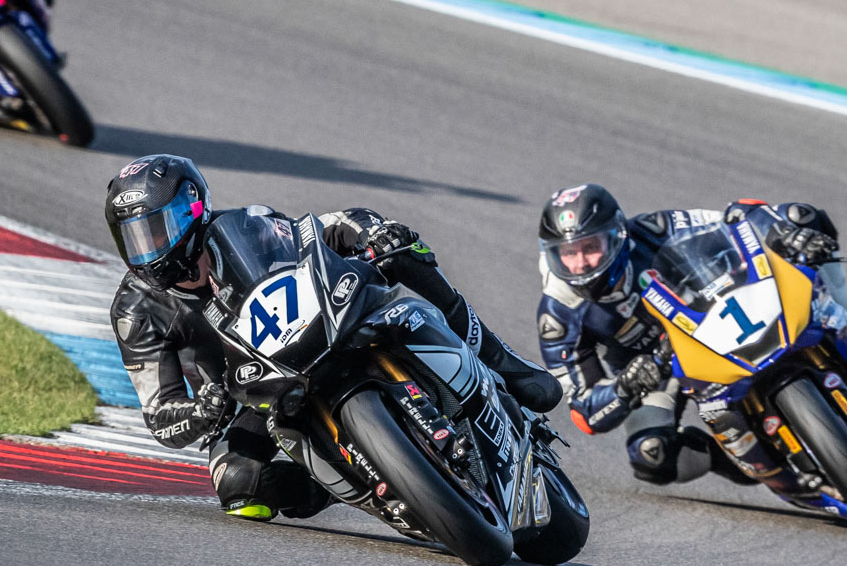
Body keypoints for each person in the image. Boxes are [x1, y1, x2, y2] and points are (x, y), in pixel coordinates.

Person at [106, 154, 561, 521]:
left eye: (157, 230)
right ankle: (381, 485)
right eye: (135, 239)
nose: (150, 249)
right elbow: (160, 415)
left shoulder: (244, 226)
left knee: (401, 252)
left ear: (192, 210)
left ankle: (500, 359)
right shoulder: (135, 312)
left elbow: (323, 229)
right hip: (248, 394)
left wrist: (375, 232)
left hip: (324, 326)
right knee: (238, 485)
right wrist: (202, 410)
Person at [534, 184, 847, 495]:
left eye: (590, 247)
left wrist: (783, 232)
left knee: (801, 217)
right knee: (651, 454)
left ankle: (845, 333)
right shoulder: (559, 314)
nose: (580, 263)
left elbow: (739, 216)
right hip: (657, 369)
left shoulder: (653, 229)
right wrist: (626, 387)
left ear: (617, 235)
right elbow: (584, 412)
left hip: (718, 315)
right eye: (568, 253)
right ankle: (743, 459)